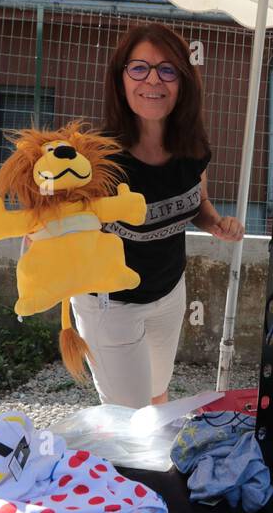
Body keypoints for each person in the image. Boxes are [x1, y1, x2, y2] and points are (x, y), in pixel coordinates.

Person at [70, 23, 243, 408]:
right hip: (109, 305)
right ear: (121, 79)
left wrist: (216, 223)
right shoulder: (96, 158)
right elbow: (58, 226)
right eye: (139, 68)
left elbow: (196, 201)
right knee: (127, 420)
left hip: (169, 293)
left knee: (158, 397)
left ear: (183, 82)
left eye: (167, 69)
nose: (153, 80)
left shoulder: (192, 146)